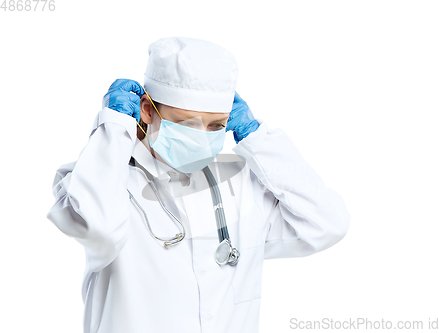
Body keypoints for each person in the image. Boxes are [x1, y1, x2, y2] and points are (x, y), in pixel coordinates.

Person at [47, 37, 351, 333]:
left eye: (216, 126)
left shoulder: (241, 187)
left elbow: (326, 224)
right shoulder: (105, 181)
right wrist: (113, 128)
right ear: (148, 110)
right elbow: (95, 226)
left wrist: (256, 137)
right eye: (188, 123)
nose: (203, 136)